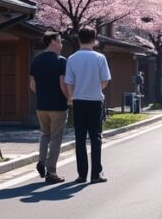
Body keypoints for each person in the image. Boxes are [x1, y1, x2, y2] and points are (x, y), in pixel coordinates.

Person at [64, 27, 111, 184]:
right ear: (94, 40)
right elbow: (105, 80)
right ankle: (96, 174)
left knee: (80, 138)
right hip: (95, 101)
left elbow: (69, 81)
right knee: (95, 137)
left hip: (78, 101)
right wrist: (95, 88)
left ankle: (82, 174)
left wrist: (71, 97)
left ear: (79, 40)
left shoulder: (72, 58)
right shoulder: (100, 58)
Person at [30, 31, 71, 184]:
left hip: (41, 105)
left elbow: (32, 85)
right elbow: (62, 83)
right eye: (60, 41)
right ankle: (51, 171)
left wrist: (43, 93)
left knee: (45, 135)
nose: (61, 45)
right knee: (56, 138)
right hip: (58, 106)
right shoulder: (61, 61)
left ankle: (41, 161)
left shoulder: (36, 60)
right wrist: (69, 99)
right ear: (53, 41)